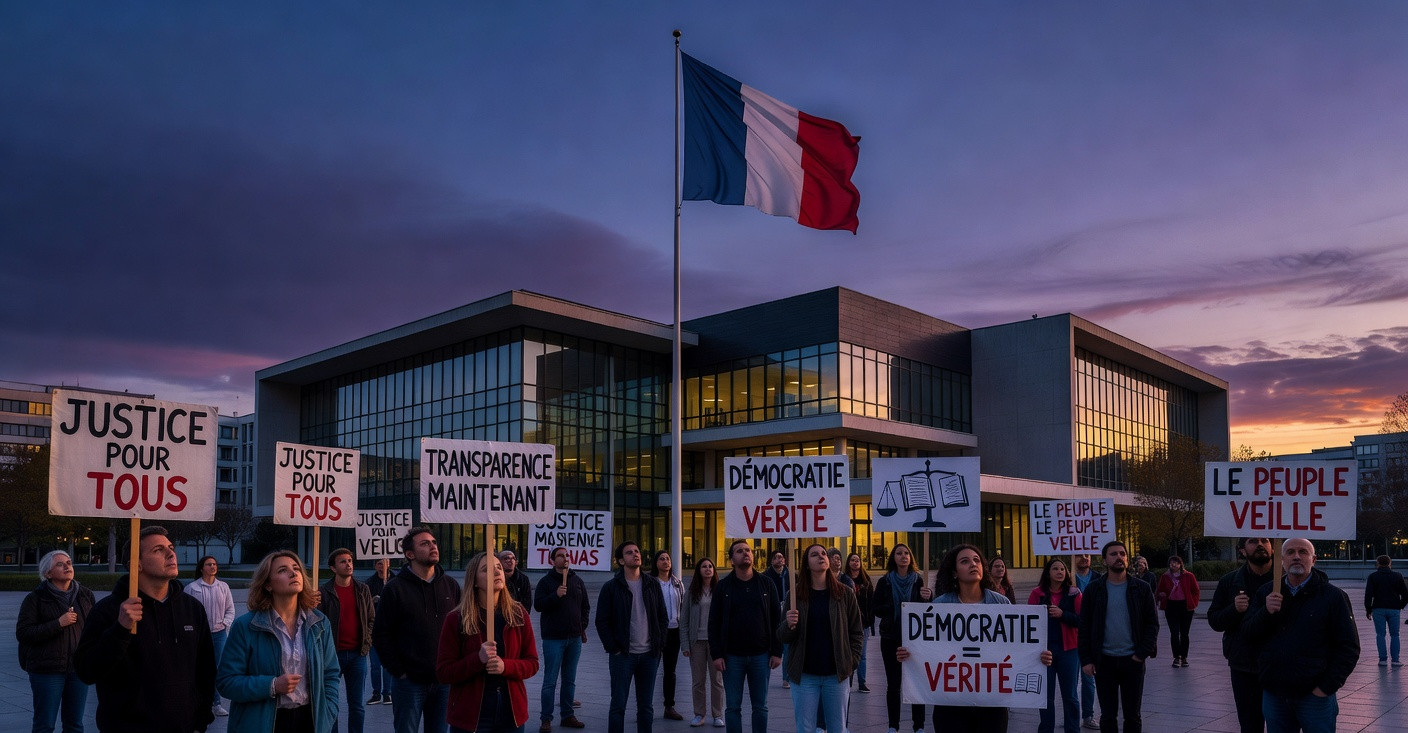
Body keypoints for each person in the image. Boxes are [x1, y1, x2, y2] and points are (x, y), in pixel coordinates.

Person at [75, 525, 216, 733]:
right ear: (136, 564)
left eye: (170, 547)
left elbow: (206, 671)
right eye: (158, 550)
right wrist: (120, 629)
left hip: (184, 727)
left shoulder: (192, 608)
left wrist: (200, 721)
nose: (171, 553)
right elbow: (86, 671)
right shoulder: (108, 611)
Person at [905, 544, 1051, 732]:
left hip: (991, 702)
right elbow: (929, 648)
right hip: (952, 702)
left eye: (976, 560)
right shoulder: (941, 605)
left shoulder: (1000, 603)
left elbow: (1017, 647)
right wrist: (910, 654)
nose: (973, 564)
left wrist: (1038, 656)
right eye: (965, 561)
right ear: (955, 572)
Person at [1243, 538, 1360, 733]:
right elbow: (1248, 634)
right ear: (1281, 560)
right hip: (1275, 693)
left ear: (1313, 560)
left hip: (1314, 696)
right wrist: (1265, 611)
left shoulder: (1333, 597)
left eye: (1303, 552)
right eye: (1290, 552)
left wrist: (1326, 687)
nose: (1296, 556)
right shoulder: (1267, 592)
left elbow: (1349, 647)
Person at [218, 551, 341, 733]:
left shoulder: (319, 623)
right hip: (262, 723)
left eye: (296, 568)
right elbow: (226, 682)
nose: (293, 573)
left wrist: (328, 712)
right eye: (283, 570)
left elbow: (330, 673)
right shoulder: (246, 626)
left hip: (309, 720)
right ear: (267, 584)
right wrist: (272, 685)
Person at [436, 551, 540, 733]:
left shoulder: (518, 614)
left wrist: (505, 666)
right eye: (486, 569)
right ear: (474, 581)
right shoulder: (456, 618)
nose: (497, 572)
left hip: (511, 713)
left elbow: (532, 663)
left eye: (498, 567)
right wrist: (478, 659)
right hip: (471, 716)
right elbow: (444, 672)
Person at [373, 526, 463, 733]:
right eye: (425, 543)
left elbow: (461, 627)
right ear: (410, 554)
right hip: (409, 683)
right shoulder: (394, 588)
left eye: (433, 542)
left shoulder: (450, 585)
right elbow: (381, 634)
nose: (433, 546)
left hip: (444, 682)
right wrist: (399, 671)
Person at [779, 544, 863, 733]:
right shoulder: (795, 595)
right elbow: (783, 636)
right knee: (806, 727)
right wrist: (789, 624)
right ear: (806, 564)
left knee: (837, 728)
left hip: (836, 674)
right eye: (814, 554)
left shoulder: (844, 593)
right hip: (805, 674)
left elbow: (856, 632)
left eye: (823, 554)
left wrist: (851, 661)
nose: (821, 557)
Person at [1077, 540, 1157, 733]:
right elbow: (1084, 626)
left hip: (1133, 661)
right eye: (1113, 554)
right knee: (1108, 715)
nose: (1119, 557)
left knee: (1132, 715)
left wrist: (1141, 654)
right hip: (1104, 662)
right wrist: (1087, 660)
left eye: (1122, 554)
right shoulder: (1094, 589)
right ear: (1105, 560)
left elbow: (1152, 624)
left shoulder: (1141, 588)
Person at [17, 550, 95, 733]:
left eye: (69, 562)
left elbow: (93, 629)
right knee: (45, 725)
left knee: (75, 724)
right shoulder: (35, 599)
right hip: (47, 670)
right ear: (48, 573)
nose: (67, 566)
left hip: (78, 670)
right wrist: (58, 624)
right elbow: (24, 633)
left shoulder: (85, 595)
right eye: (60, 564)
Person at [709, 540, 782, 733]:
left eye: (748, 550)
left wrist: (777, 651)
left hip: (761, 655)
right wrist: (716, 654)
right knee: (733, 707)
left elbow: (777, 619)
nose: (745, 553)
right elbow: (714, 622)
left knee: (760, 706)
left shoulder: (766, 584)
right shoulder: (723, 587)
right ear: (732, 559)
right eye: (739, 551)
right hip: (732, 657)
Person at [596, 540, 667, 733]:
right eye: (629, 553)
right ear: (620, 560)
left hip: (649, 655)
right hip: (623, 656)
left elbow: (662, 616)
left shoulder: (652, 584)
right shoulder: (611, 587)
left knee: (646, 706)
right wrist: (614, 648)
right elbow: (601, 621)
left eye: (637, 551)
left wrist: (659, 644)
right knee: (618, 705)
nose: (636, 554)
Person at [1207, 537, 1274, 733]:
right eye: (1253, 541)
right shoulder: (1230, 581)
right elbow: (1214, 620)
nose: (1261, 544)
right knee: (1250, 724)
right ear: (1242, 550)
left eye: (1266, 540)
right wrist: (1234, 610)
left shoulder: (1284, 579)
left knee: (1282, 723)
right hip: (1244, 666)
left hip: (1279, 665)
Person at [872, 543, 932, 733]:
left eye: (907, 553)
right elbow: (876, 608)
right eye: (899, 553)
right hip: (891, 637)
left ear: (911, 557)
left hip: (915, 638)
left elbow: (928, 610)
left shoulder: (919, 581)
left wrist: (928, 597)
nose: (903, 556)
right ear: (894, 558)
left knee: (916, 682)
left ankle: (919, 726)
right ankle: (893, 726)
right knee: (893, 683)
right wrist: (892, 608)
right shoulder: (885, 581)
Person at [318, 548, 375, 733]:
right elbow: (318, 623)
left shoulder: (362, 589)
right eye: (343, 561)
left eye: (350, 560)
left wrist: (367, 641)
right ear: (333, 568)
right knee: (331, 703)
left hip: (358, 655)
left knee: (357, 704)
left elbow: (371, 618)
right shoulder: (324, 592)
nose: (348, 564)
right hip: (332, 656)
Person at [533, 547, 589, 732]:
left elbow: (585, 606)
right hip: (553, 639)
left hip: (574, 638)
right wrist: (555, 595)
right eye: (560, 555)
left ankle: (567, 715)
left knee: (569, 679)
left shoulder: (577, 581)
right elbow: (539, 605)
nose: (565, 558)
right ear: (552, 560)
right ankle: (546, 718)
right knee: (550, 681)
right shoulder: (545, 582)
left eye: (567, 555)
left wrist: (582, 626)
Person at [1028, 557, 1083, 733]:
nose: (1059, 572)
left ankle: (1073, 730)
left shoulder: (1075, 593)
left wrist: (1062, 614)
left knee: (1070, 696)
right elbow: (1029, 621)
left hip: (1069, 650)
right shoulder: (1037, 593)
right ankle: (1046, 729)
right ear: (1048, 573)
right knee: (1045, 696)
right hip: (1044, 652)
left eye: (1062, 569)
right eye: (1055, 569)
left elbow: (1082, 621)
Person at [186, 555, 237, 717]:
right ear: (202, 568)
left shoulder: (223, 587)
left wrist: (225, 624)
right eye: (209, 564)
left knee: (216, 669)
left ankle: (215, 703)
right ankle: (196, 701)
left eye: (214, 564)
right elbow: (186, 612)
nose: (213, 567)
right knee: (199, 667)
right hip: (199, 635)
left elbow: (230, 609)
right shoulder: (192, 588)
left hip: (219, 634)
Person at [681, 558, 724, 728]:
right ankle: (699, 714)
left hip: (715, 642)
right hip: (696, 642)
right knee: (698, 681)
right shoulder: (692, 593)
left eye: (710, 566)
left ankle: (718, 714)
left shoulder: (720, 591)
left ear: (714, 570)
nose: (707, 569)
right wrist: (685, 645)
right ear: (699, 571)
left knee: (717, 681)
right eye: (704, 567)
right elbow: (684, 620)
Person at [653, 550, 687, 721]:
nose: (665, 561)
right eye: (661, 559)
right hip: (656, 632)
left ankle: (669, 706)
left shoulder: (677, 583)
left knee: (670, 671)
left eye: (667, 559)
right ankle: (644, 706)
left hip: (674, 632)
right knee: (650, 670)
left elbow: (683, 606)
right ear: (656, 563)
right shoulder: (651, 583)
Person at [1154, 556, 1199, 668]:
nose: (1173, 565)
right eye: (1171, 563)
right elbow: (1159, 590)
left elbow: (1195, 590)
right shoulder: (1165, 577)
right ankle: (1176, 657)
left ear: (1180, 564)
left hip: (1185, 607)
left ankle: (1184, 657)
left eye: (1176, 563)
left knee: (1184, 634)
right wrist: (1161, 595)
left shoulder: (1188, 576)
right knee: (1174, 633)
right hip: (1171, 606)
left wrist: (1193, 603)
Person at [1365, 554, 1408, 667]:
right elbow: (1405, 594)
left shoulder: (1373, 576)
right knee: (1395, 635)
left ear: (1378, 563)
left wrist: (1368, 609)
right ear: (1390, 563)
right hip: (1394, 609)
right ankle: (1395, 660)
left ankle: (1383, 659)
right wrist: (1400, 605)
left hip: (1378, 608)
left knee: (1380, 634)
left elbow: (1368, 594)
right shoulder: (1398, 576)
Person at [1072, 554, 1098, 729]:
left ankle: (1088, 715)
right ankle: (1071, 714)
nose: (1084, 558)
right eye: (1080, 555)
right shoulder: (1068, 578)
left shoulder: (1098, 579)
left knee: (1089, 678)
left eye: (1087, 555)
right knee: (1071, 681)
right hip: (1072, 635)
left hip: (1092, 635)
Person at [844, 553, 874, 694]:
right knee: (847, 651)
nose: (855, 563)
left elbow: (871, 602)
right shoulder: (844, 580)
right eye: (852, 560)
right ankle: (848, 680)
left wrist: (870, 620)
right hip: (847, 622)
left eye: (857, 560)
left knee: (862, 654)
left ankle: (862, 682)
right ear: (848, 563)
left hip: (863, 623)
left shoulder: (866, 581)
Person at [366, 558, 394, 706]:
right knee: (375, 665)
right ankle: (376, 693)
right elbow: (364, 604)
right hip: (374, 630)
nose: (381, 566)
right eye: (378, 563)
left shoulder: (396, 580)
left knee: (388, 664)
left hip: (391, 629)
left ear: (388, 563)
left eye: (384, 563)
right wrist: (372, 599)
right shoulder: (370, 582)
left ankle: (387, 693)